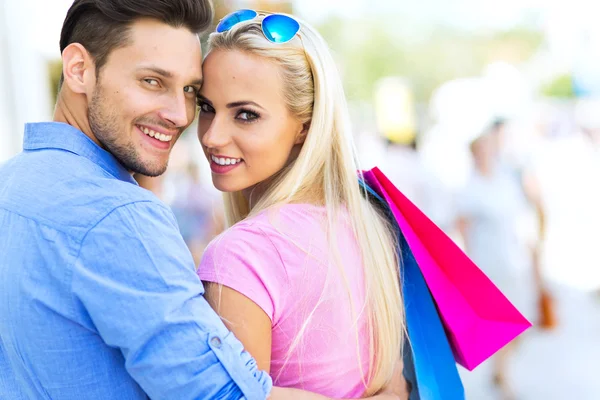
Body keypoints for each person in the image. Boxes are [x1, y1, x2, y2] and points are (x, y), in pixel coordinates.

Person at [0, 1, 407, 400]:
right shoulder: (120, 217)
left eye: (190, 91)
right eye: (153, 81)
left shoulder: (9, 187)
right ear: (78, 70)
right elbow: (220, 394)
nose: (182, 116)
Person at [195, 10, 408, 398]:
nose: (212, 136)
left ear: (305, 127)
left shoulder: (242, 254)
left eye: (246, 115)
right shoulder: (368, 224)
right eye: (206, 107)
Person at [456, 118, 548, 400]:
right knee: (505, 322)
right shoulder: (469, 188)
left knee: (523, 320)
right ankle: (503, 375)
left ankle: (499, 369)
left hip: (514, 260)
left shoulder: (505, 179)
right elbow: (463, 229)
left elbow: (525, 210)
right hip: (488, 264)